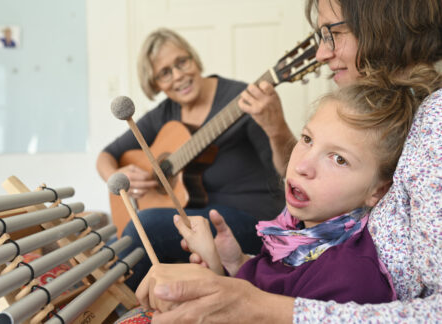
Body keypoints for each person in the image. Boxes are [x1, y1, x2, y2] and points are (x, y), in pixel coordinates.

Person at [132, 0, 442, 322]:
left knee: (146, 226)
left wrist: (250, 304)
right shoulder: (372, 118)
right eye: (306, 139)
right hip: (269, 244)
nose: (321, 54)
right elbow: (288, 278)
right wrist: (235, 266)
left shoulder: (433, 120)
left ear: (384, 28)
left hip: (256, 219)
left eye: (332, 33)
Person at [96, 28, 284, 290]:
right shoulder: (165, 114)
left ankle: (119, 308)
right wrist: (120, 176)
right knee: (108, 248)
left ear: (194, 59)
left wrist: (278, 128)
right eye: (165, 73)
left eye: (182, 62)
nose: (178, 76)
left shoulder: (241, 99)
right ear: (155, 85)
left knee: (144, 227)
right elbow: (105, 156)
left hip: (251, 221)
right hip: (195, 223)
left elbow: (286, 170)